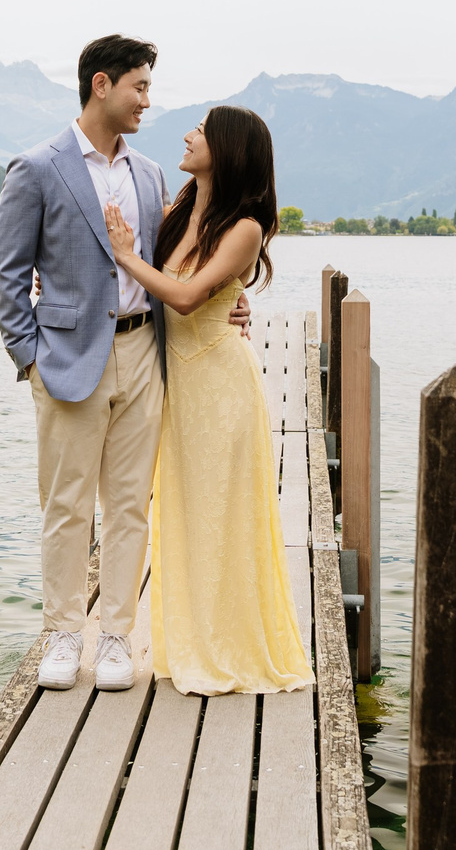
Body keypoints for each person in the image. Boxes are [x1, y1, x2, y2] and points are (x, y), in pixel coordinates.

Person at [100, 106, 311, 696]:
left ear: (229, 147)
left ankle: (227, 647)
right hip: (178, 386)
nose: (189, 135)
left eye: (201, 129)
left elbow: (189, 297)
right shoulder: (179, 208)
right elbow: (144, 274)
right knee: (186, 515)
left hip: (220, 388)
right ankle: (191, 639)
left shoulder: (244, 225)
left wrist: (127, 258)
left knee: (224, 516)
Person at [0, 35, 175, 693]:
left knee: (129, 506)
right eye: (140, 87)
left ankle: (119, 636)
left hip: (143, 353)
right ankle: (64, 632)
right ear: (103, 84)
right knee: (66, 505)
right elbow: (6, 273)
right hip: (65, 359)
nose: (147, 100)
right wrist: (29, 357)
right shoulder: (37, 169)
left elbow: (168, 266)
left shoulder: (149, 175)